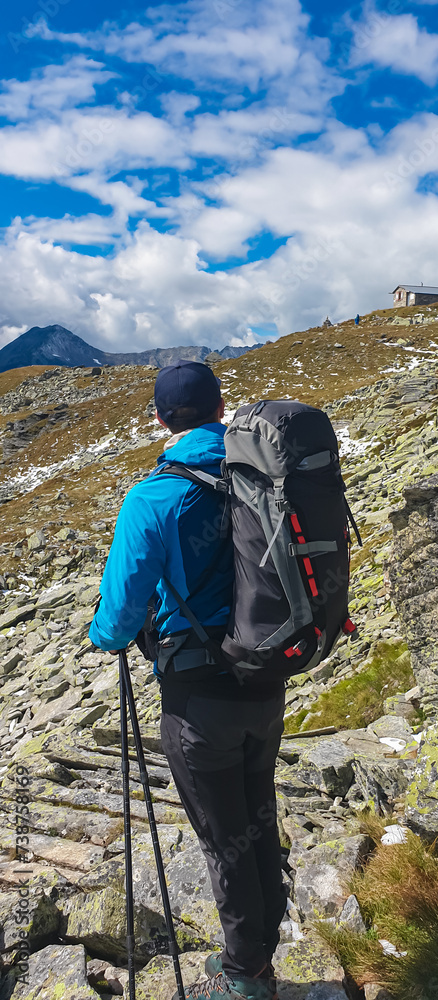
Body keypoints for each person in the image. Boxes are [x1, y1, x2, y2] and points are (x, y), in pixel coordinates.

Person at [89, 361, 286, 1000]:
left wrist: (101, 636)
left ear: (159, 419)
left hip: (199, 701)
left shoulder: (154, 496)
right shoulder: (257, 472)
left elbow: (118, 619)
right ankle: (263, 948)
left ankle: (244, 974)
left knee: (224, 837)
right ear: (220, 406)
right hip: (267, 679)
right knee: (257, 816)